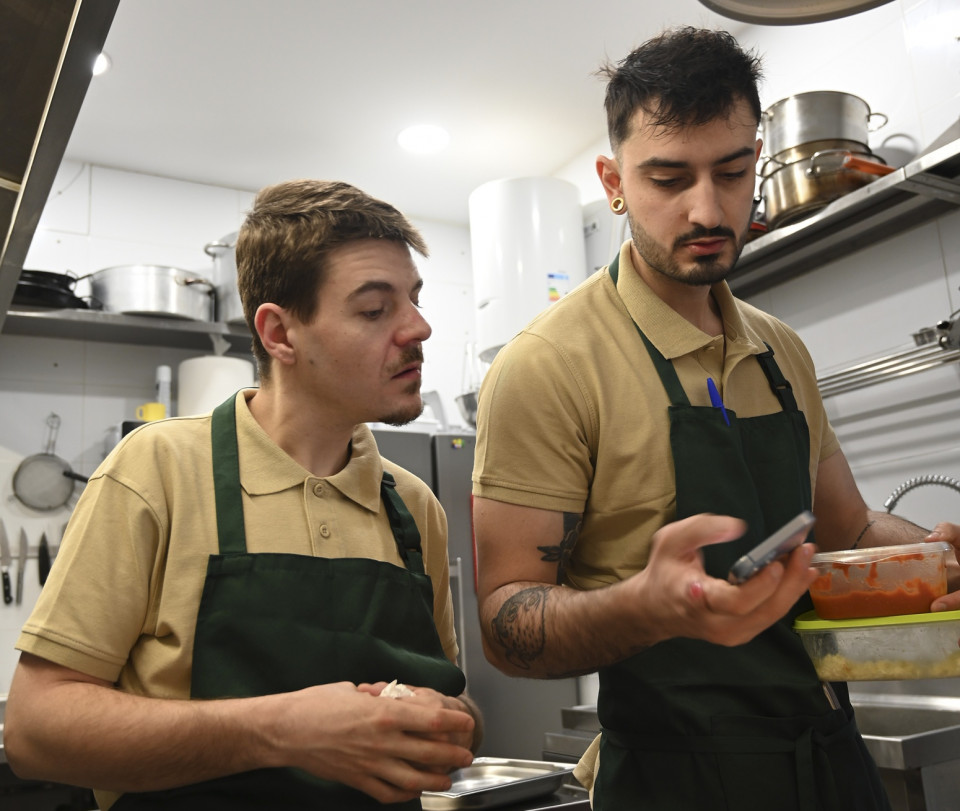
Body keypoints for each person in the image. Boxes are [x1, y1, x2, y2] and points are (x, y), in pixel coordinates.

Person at [471, 27, 960, 811]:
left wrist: (931, 559)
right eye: (668, 178)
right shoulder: (546, 366)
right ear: (613, 181)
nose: (707, 208)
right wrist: (647, 605)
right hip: (676, 778)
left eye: (731, 173)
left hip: (831, 759)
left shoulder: (781, 349)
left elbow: (851, 533)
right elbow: (506, 618)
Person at [5, 179, 483, 810]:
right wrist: (279, 732)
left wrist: (447, 721)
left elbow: (457, 701)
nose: (418, 328)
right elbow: (37, 730)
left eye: (414, 301)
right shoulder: (159, 470)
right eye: (375, 310)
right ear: (280, 334)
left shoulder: (414, 505)